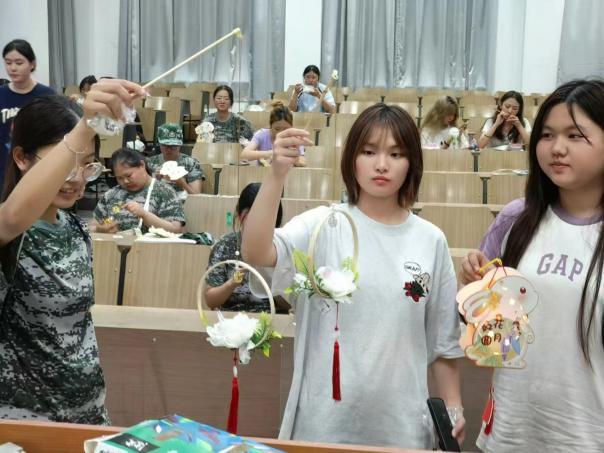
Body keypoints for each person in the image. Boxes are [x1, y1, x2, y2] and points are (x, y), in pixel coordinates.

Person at [242, 104, 465, 449]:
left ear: (412, 163)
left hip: (401, 426)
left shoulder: (430, 240)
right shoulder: (322, 225)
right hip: (323, 426)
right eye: (369, 151)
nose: (382, 164)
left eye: (396, 154)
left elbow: (443, 340)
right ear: (351, 159)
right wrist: (276, 176)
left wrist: (453, 406)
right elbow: (256, 253)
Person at [460, 79, 604, 451]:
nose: (557, 148)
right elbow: (492, 337)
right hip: (512, 431)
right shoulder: (516, 219)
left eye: (575, 135)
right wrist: (475, 288)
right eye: (547, 135)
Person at [0, 79, 146, 423]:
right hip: (28, 424)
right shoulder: (11, 235)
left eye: (87, 165)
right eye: (65, 162)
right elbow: (10, 219)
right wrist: (84, 127)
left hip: (88, 413)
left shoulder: (76, 228)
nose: (77, 178)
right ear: (21, 158)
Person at [205, 183, 284, 312]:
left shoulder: (282, 246)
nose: (259, 223)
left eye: (266, 218)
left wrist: (273, 284)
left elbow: (292, 306)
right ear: (240, 215)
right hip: (232, 320)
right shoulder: (224, 245)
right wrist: (232, 283)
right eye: (254, 217)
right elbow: (211, 301)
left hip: (272, 319)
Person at [0, 39, 55, 189]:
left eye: (19, 63)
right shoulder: (1, 94)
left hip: (37, 168)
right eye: (8, 63)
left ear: (32, 64)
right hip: (4, 169)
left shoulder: (47, 95)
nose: (12, 68)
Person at [91, 148, 185, 234]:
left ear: (142, 165)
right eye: (119, 178)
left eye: (129, 175)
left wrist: (145, 215)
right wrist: (101, 229)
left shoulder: (165, 192)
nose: (125, 181)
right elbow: (92, 226)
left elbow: (176, 230)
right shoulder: (111, 195)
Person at [240, 101, 306, 166]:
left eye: (285, 129)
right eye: (277, 129)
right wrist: (270, 154)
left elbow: (303, 163)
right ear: (271, 127)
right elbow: (244, 155)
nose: (281, 133)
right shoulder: (262, 135)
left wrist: (294, 158)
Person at [146, 123, 204, 195]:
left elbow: (196, 196)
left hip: (184, 201)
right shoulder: (149, 163)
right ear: (159, 144)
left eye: (173, 146)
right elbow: (142, 194)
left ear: (180, 144)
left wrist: (182, 183)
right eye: (165, 145)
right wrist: (154, 180)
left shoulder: (191, 163)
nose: (169, 149)